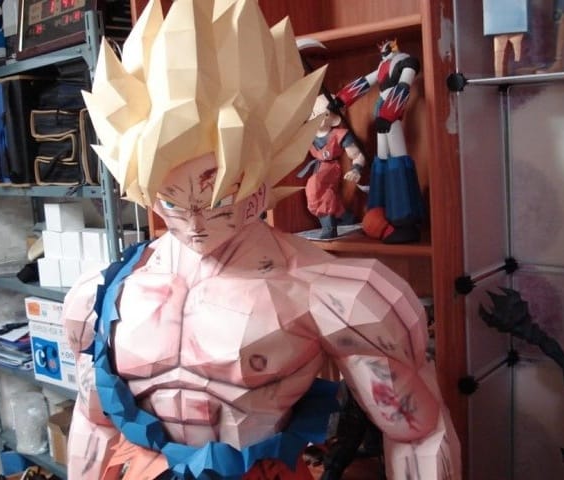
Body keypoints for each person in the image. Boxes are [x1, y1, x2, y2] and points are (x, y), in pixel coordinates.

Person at [62, 0, 461, 478]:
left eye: (217, 198)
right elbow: (93, 424)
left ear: (259, 184)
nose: (194, 222)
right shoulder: (100, 295)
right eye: (171, 201)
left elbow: (417, 433)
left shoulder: (335, 293)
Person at [332, 40, 425, 244]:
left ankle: (403, 219)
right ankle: (381, 214)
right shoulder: (384, 65)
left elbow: (404, 85)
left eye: (386, 47)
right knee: (382, 159)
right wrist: (341, 99)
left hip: (390, 113)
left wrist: (390, 113)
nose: (383, 50)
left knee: (397, 161)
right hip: (382, 111)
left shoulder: (405, 61)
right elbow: (365, 82)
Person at [297, 94, 365, 239]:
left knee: (315, 188)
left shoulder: (339, 135)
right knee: (324, 192)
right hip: (318, 166)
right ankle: (345, 217)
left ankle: (329, 226)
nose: (315, 117)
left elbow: (357, 154)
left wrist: (356, 169)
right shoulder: (309, 134)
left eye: (322, 114)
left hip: (331, 167)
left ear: (332, 117)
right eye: (313, 113)